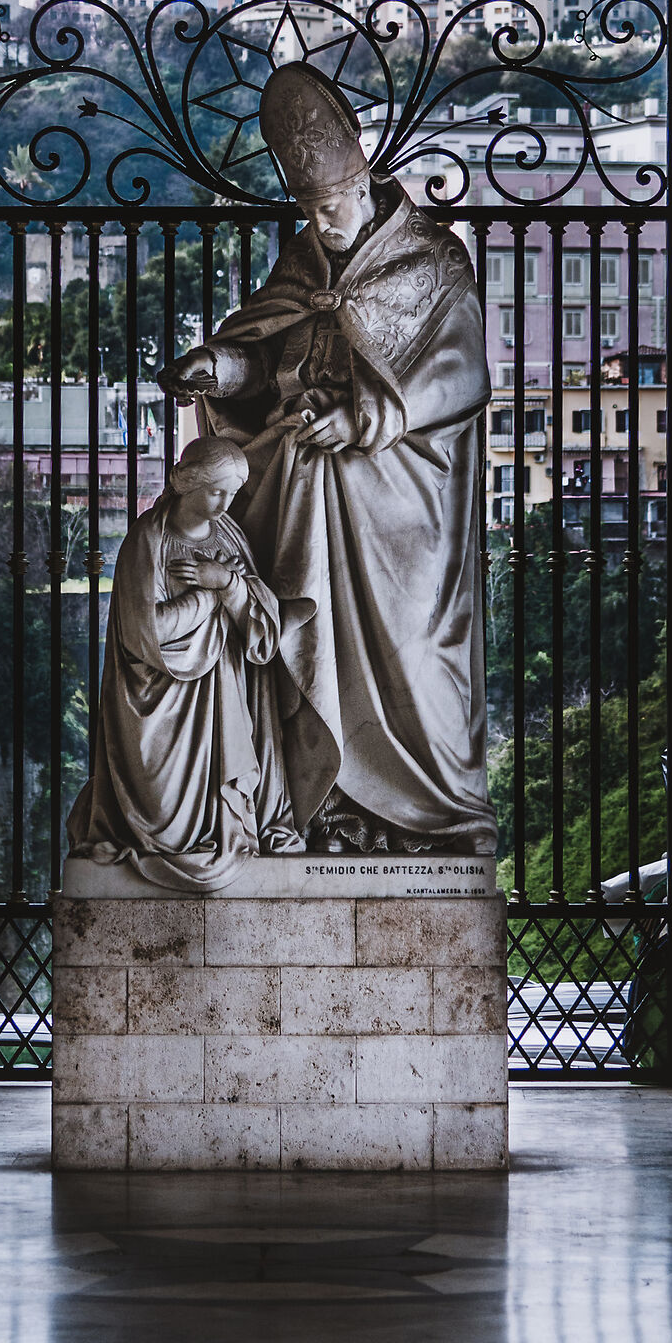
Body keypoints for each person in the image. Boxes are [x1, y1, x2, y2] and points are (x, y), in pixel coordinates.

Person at [167, 61, 496, 857]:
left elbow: (461, 374)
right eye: (310, 208)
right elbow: (267, 351)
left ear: (364, 179)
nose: (325, 221)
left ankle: (425, 810)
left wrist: (367, 415)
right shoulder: (300, 263)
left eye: (334, 203)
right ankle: (323, 808)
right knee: (288, 617)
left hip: (400, 503)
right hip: (302, 479)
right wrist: (222, 368)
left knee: (411, 653)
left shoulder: (435, 260)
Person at [65, 435, 306, 890]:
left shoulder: (230, 535)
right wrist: (207, 597)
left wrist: (229, 584)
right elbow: (145, 634)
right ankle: (165, 834)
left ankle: (222, 827)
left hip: (220, 692)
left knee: (224, 781)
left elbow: (261, 624)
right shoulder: (148, 541)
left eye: (232, 493)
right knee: (160, 809)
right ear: (187, 483)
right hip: (157, 696)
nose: (224, 503)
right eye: (216, 491)